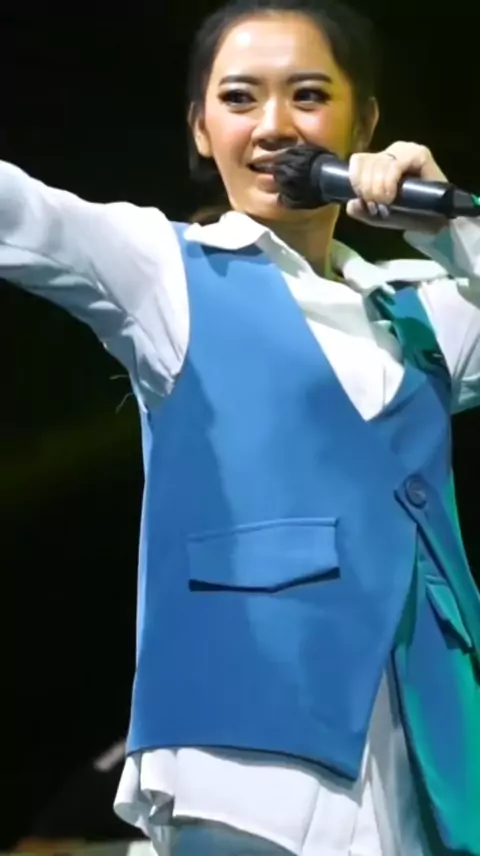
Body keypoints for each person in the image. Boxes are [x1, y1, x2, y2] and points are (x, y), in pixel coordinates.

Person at [3, 0, 480, 854]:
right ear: (199, 128)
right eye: (238, 98)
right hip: (246, 764)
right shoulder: (165, 272)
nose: (273, 126)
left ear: (365, 125)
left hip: (431, 772)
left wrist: (451, 227)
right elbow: (19, 213)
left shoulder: (422, 313)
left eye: (308, 95)